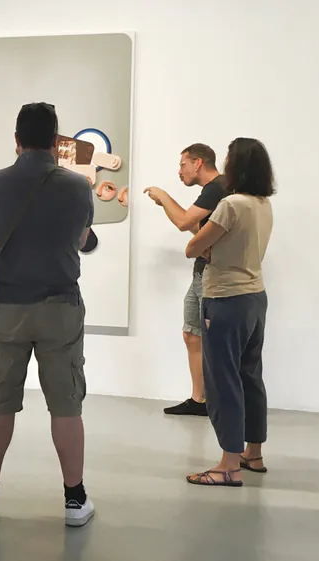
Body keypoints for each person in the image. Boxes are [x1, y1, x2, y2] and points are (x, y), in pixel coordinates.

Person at [0, 102, 95, 527]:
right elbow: (83, 237)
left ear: (16, 140)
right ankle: (74, 501)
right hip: (60, 308)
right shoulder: (76, 186)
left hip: (6, 310)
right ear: (57, 141)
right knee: (66, 406)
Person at [184, 138, 274, 487]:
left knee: (223, 381)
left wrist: (202, 242)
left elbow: (194, 246)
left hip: (224, 299)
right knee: (250, 375)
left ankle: (227, 465)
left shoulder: (230, 205)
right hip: (255, 297)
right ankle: (254, 453)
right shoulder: (262, 203)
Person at [144, 144, 227, 416]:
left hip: (213, 275)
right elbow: (194, 227)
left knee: (213, 338)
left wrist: (164, 196)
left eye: (183, 165)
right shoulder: (211, 191)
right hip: (200, 272)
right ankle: (199, 399)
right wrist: (166, 205)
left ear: (198, 163)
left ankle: (216, 401)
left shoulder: (217, 187)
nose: (180, 171)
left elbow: (183, 223)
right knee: (192, 335)